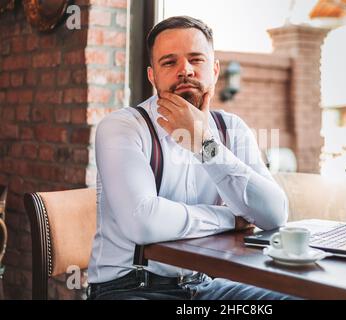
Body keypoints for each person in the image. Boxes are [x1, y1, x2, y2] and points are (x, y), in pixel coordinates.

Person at [87, 15, 292, 300]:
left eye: (196, 60)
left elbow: (274, 214)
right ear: (152, 76)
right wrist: (231, 218)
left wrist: (204, 144)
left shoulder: (231, 128)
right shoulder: (122, 127)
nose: (185, 70)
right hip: (132, 288)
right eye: (169, 62)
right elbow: (143, 222)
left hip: (207, 287)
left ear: (215, 70)